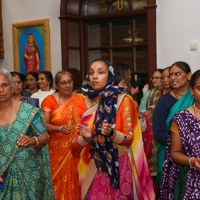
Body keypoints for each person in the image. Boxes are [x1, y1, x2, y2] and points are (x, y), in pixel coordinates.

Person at [71, 59, 155, 199]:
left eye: (100, 72)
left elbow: (129, 139)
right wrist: (85, 138)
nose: (95, 76)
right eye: (91, 73)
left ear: (110, 76)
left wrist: (111, 133)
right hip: (90, 165)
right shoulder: (79, 103)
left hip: (119, 164)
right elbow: (74, 144)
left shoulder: (122, 99)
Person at [0, 69, 55, 199]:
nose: (1, 90)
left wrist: (34, 140)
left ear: (11, 85)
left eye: (5, 85)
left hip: (28, 178)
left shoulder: (28, 111)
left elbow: (43, 138)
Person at [41, 71, 84, 200]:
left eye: (69, 82)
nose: (67, 85)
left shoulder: (81, 98)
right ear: (56, 85)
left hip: (77, 148)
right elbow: (43, 125)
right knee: (55, 180)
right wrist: (59, 128)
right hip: (55, 150)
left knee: (75, 180)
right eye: (63, 83)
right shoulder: (49, 100)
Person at [160, 69, 200, 199]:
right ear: (192, 91)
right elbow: (175, 153)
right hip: (191, 180)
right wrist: (193, 161)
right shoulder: (181, 119)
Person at [153, 61, 193, 187]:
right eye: (171, 75)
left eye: (177, 74)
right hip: (169, 156)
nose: (173, 78)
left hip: (195, 156)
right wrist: (184, 142)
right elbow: (158, 134)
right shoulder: (163, 101)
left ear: (189, 75)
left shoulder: (196, 98)